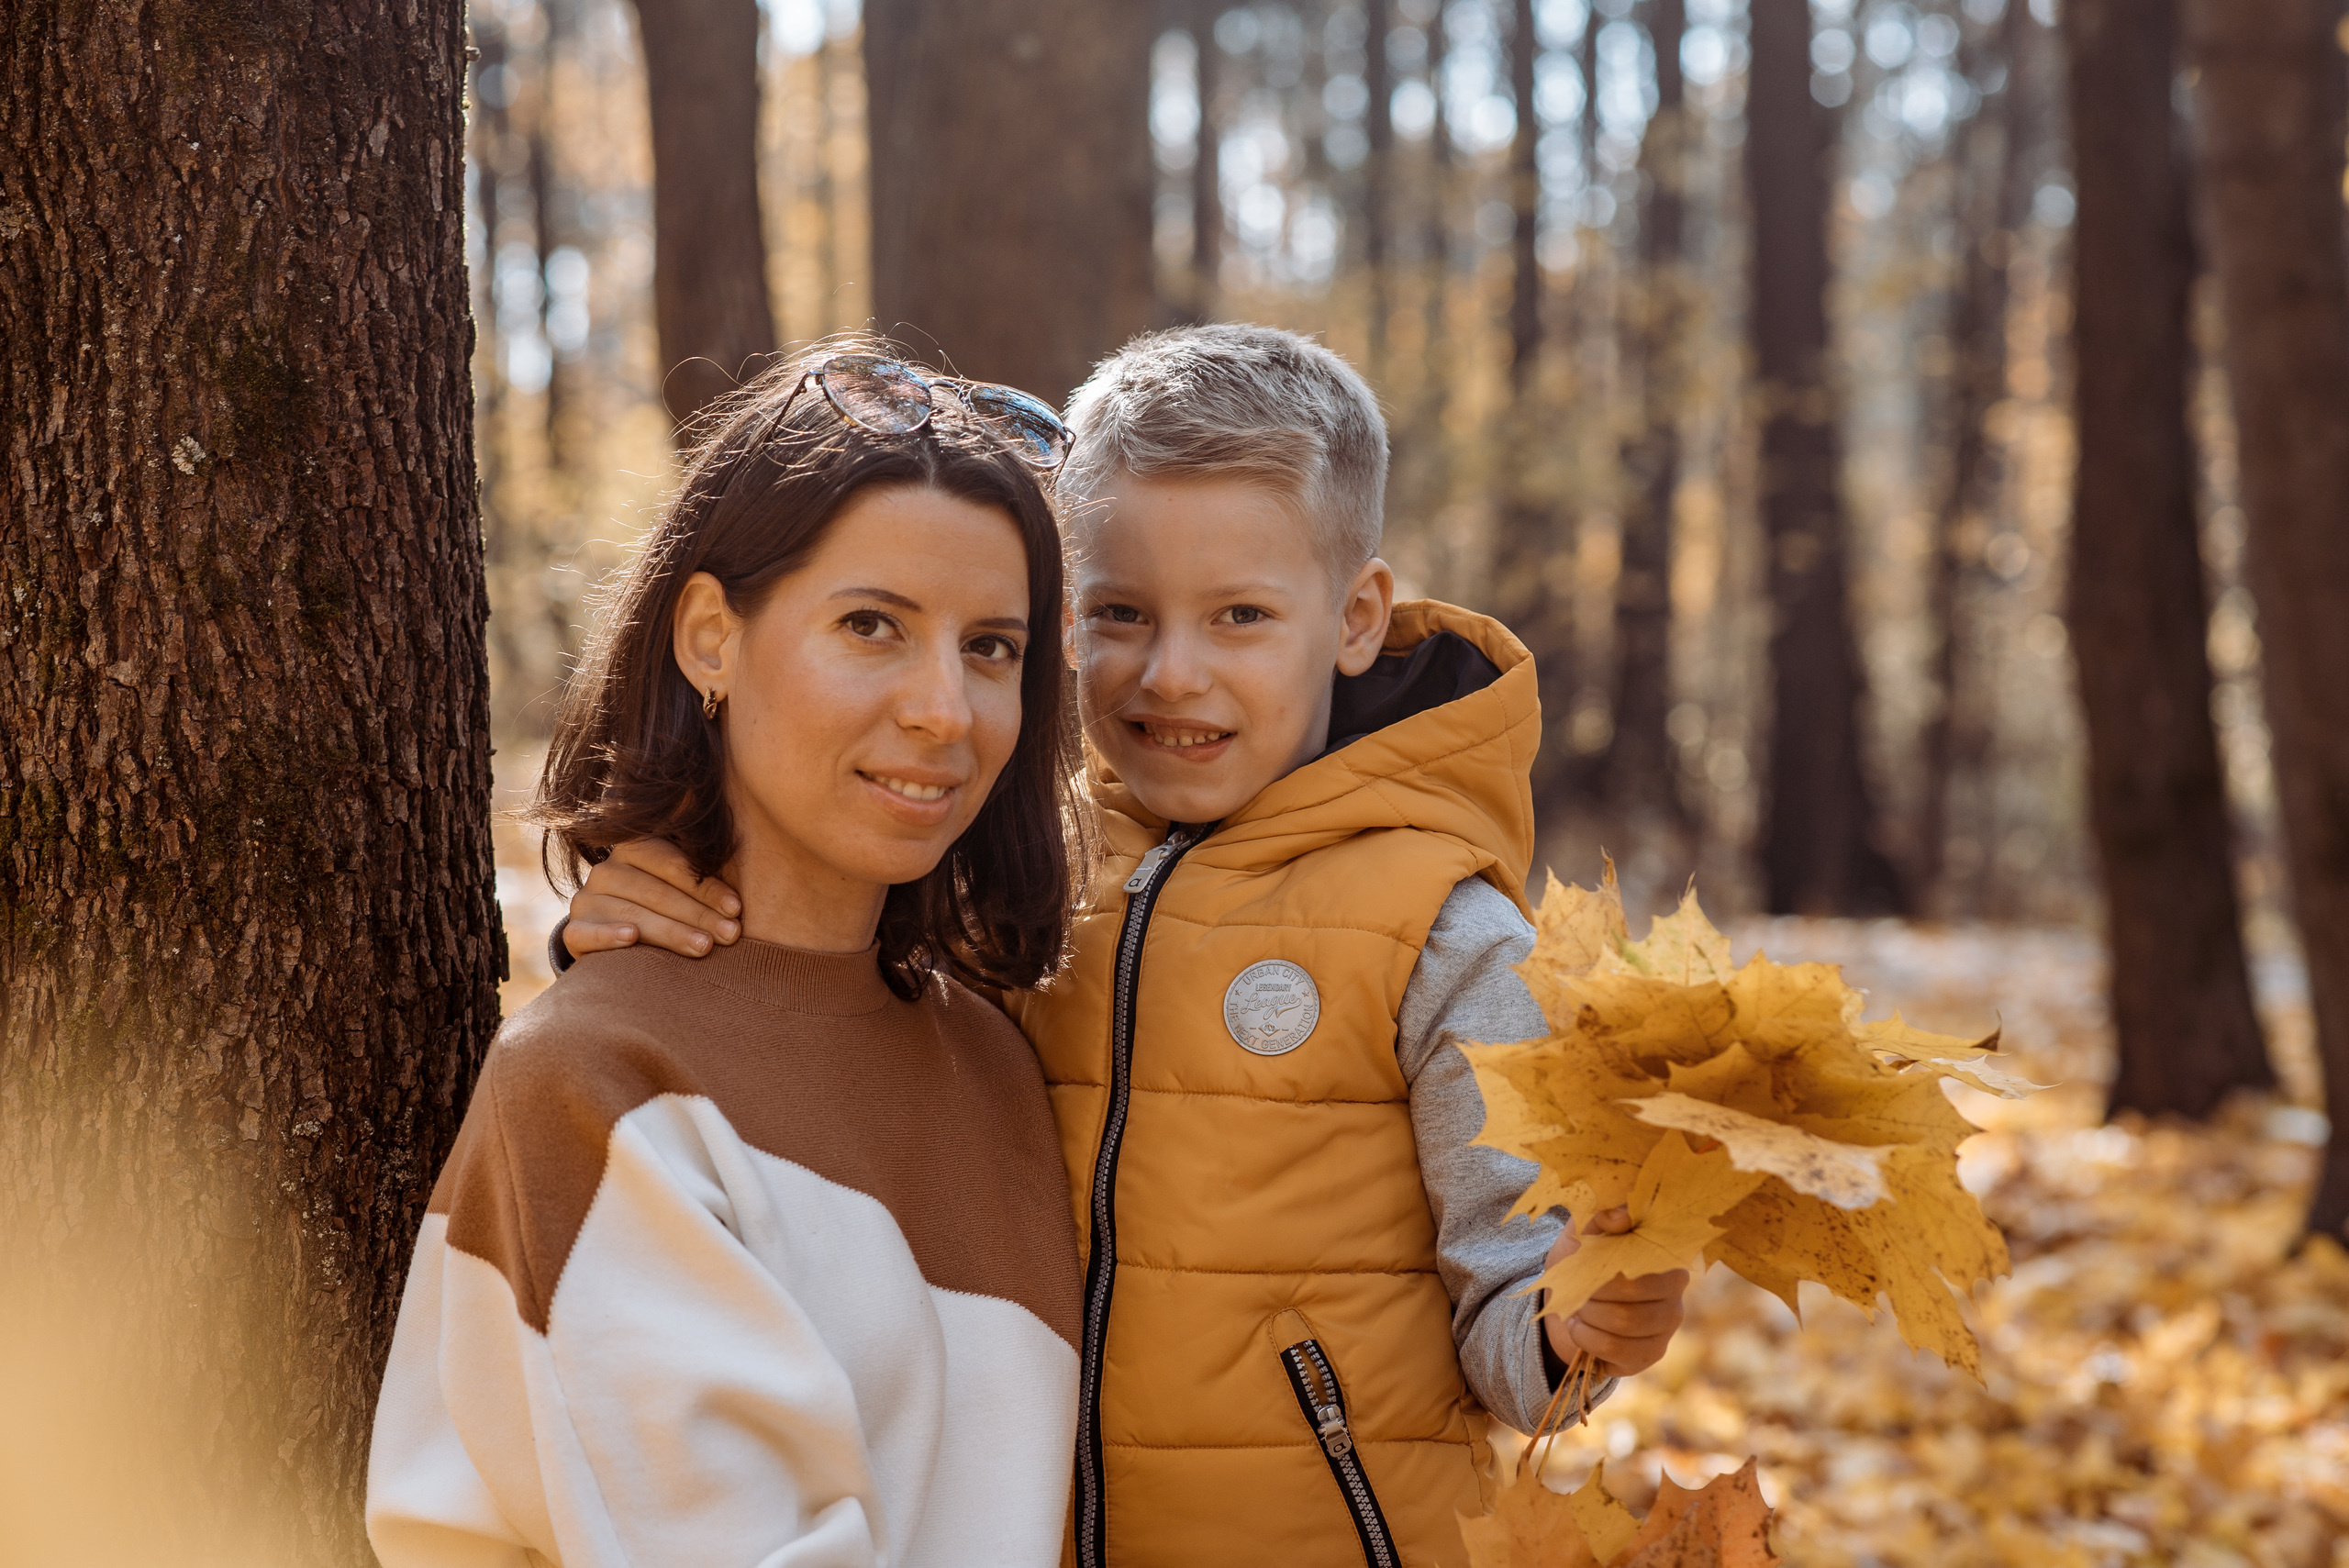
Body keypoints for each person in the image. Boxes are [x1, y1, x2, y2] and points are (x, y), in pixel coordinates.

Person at [558, 326, 1691, 1567]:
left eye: (1241, 616)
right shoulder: (1014, 864)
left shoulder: (1445, 932)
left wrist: (1587, 1321)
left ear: (1355, 615)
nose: (1172, 673)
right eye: (1120, 614)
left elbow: (1515, 1324)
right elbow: (818, 1030)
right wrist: (644, 922)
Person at [366, 346, 1092, 1568]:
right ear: (711, 635)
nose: (944, 710)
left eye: (993, 647)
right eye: (874, 625)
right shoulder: (600, 1081)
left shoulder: (999, 1060)